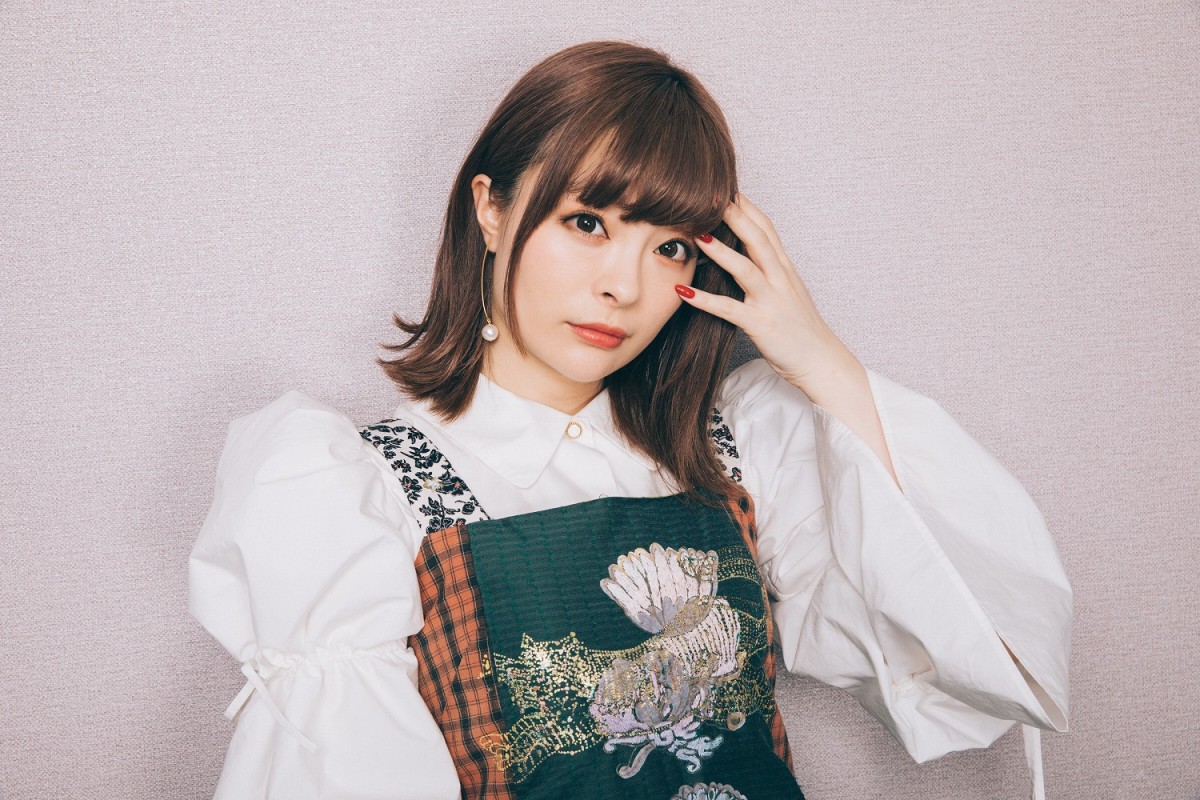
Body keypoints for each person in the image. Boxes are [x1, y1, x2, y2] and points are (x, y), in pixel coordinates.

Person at [189, 40, 1071, 800]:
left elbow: (991, 654)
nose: (625, 286)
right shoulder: (362, 493)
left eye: (670, 246)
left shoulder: (734, 450)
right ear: (491, 208)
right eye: (587, 223)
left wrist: (820, 359)